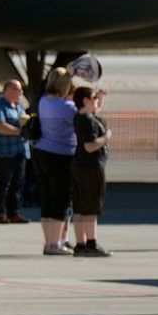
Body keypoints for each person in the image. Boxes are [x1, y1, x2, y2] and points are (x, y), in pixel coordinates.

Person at [34, 68, 78, 255]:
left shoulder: (44, 101)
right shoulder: (66, 107)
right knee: (61, 199)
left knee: (48, 199)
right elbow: (84, 120)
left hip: (42, 152)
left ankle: (49, 242)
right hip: (61, 154)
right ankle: (55, 243)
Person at [71, 86, 112, 256]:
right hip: (91, 167)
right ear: (86, 101)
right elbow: (89, 146)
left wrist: (100, 97)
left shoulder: (80, 117)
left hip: (80, 166)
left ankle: (80, 243)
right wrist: (106, 138)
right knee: (91, 207)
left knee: (80, 207)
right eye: (94, 98)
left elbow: (96, 112)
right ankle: (91, 243)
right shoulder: (87, 120)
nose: (97, 102)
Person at [0, 79, 29, 223]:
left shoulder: (18, 106)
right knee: (3, 184)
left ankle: (14, 213)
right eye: (18, 89)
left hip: (19, 151)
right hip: (3, 153)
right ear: (8, 90)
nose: (21, 92)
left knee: (17, 184)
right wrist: (19, 132)